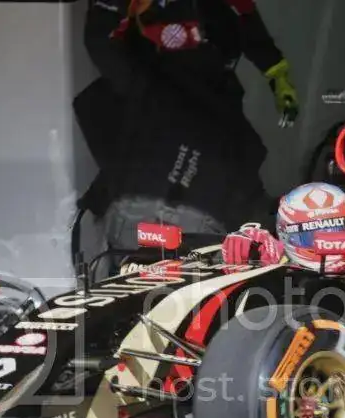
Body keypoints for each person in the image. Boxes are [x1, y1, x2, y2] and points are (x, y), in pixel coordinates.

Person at [74, 0, 299, 280]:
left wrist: (275, 70)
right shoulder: (157, 89)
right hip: (177, 232)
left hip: (149, 227)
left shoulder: (169, 88)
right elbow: (100, 41)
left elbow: (245, 17)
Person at [221, 182, 345, 271]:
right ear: (286, 235)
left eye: (339, 230)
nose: (328, 243)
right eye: (310, 236)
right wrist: (251, 256)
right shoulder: (274, 261)